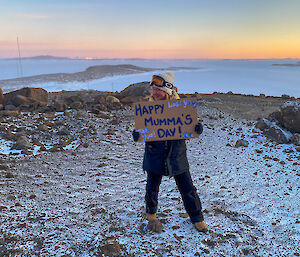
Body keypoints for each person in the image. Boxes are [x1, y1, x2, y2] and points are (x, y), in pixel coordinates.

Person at [132, 72, 207, 233]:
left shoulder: (181, 108)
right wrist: (137, 134)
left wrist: (197, 128)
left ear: (167, 91)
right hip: (154, 154)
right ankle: (151, 214)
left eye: (158, 90)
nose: (154, 93)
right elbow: (140, 129)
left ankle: (197, 217)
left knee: (187, 188)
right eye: (153, 90)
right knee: (152, 187)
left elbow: (190, 125)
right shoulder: (147, 109)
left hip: (176, 155)